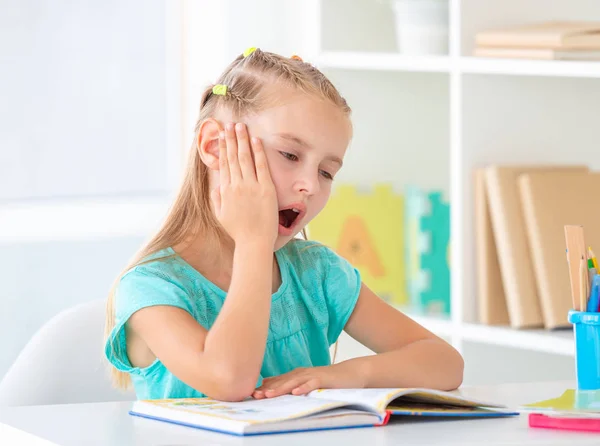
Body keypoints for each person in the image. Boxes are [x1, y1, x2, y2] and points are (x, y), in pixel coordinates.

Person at [104, 47, 464, 402]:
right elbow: (229, 380)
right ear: (215, 147)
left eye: (327, 172)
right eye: (290, 155)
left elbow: (445, 363)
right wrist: (252, 243)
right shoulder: (149, 288)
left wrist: (343, 375)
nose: (309, 184)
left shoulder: (317, 273)